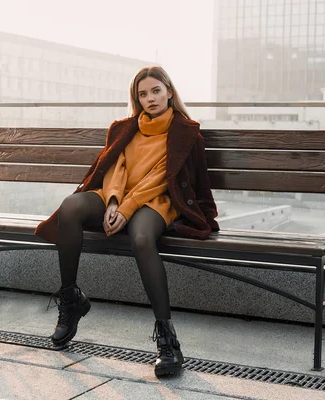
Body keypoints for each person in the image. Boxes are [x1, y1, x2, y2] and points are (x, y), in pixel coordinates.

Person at [35, 65, 219, 377]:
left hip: (158, 200)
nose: (150, 98)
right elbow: (115, 167)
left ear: (169, 91)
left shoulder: (185, 131)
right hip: (117, 195)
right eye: (143, 94)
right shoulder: (125, 128)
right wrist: (114, 201)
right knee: (71, 206)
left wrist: (128, 207)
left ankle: (168, 341)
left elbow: (163, 177)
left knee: (143, 238)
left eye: (156, 91)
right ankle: (71, 298)